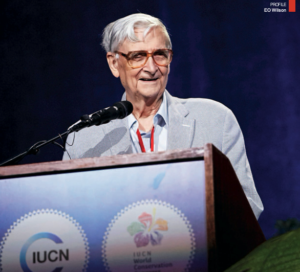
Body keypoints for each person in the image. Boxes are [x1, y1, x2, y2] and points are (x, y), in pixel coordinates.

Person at [63, 13, 263, 219]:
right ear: (114, 63)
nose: (151, 68)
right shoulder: (84, 137)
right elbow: (71, 219)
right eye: (137, 56)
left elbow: (248, 206)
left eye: (160, 54)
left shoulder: (215, 119)